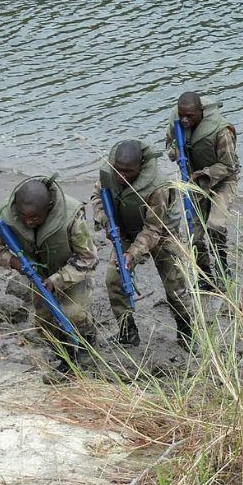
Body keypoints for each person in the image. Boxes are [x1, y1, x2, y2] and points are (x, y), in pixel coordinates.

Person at [0, 175, 99, 381]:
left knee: (72, 314)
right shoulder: (8, 215)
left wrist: (59, 279)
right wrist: (14, 262)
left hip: (72, 272)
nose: (28, 221)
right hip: (38, 275)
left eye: (35, 218)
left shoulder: (71, 216)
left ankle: (87, 342)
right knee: (44, 322)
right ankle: (65, 359)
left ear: (49, 207)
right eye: (23, 216)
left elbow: (88, 257)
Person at [94, 140, 194, 349]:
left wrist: (132, 254)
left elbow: (153, 229)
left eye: (128, 172)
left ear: (141, 167)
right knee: (114, 279)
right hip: (124, 230)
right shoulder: (108, 175)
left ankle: (186, 332)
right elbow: (97, 197)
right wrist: (105, 218)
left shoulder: (158, 186)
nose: (121, 176)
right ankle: (127, 331)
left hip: (162, 232)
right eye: (118, 170)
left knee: (175, 285)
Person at [163, 91, 238, 287]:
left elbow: (229, 166)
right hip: (195, 183)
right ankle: (205, 277)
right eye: (182, 116)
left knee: (215, 226)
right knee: (194, 234)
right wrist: (176, 152)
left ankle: (223, 268)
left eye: (190, 116)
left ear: (201, 112)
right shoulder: (177, 123)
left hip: (222, 181)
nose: (185, 120)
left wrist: (203, 173)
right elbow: (169, 145)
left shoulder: (221, 131)